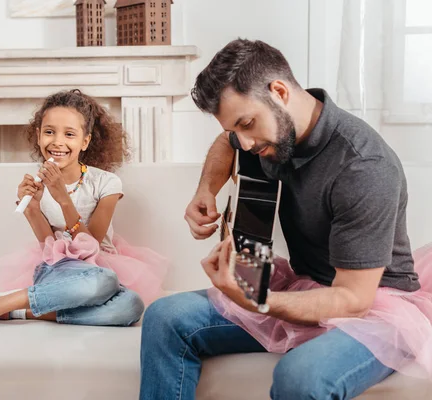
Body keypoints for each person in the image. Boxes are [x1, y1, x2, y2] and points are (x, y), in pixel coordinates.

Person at [139, 38, 432, 399]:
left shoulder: (364, 166)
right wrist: (206, 190)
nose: (244, 143)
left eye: (247, 124)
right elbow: (225, 142)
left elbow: (353, 299)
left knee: (301, 377)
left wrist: (257, 300)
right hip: (304, 284)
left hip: (372, 307)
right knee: (164, 316)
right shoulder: (266, 131)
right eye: (236, 129)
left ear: (278, 91)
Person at [0, 89, 167, 340]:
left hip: (99, 263)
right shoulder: (37, 183)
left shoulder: (107, 183)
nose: (58, 142)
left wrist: (62, 197)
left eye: (70, 134)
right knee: (104, 282)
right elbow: (47, 244)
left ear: (85, 141)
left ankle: (10, 309)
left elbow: (93, 244)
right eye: (49, 132)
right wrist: (31, 208)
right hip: (58, 267)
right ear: (38, 135)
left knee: (131, 306)